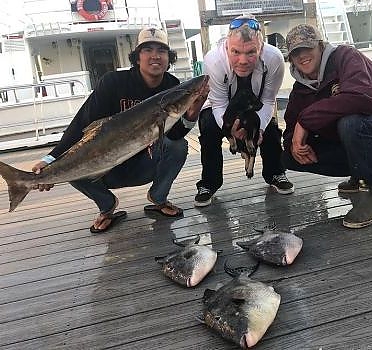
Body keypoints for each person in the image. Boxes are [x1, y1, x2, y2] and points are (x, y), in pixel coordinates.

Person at [32, 26, 208, 233]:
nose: (155, 56)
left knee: (179, 146)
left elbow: (175, 134)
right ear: (137, 57)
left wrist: (193, 109)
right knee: (71, 166)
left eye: (161, 51)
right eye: (147, 50)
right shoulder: (113, 83)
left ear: (169, 58)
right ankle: (106, 206)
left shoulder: (172, 86)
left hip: (143, 165)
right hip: (104, 168)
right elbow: (81, 124)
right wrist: (51, 160)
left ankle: (158, 198)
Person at [282, 24, 372, 229]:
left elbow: (364, 99)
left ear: (321, 46)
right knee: (288, 156)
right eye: (296, 52)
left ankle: (371, 191)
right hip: (350, 139)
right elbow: (290, 132)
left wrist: (304, 120)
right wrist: (297, 147)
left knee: (351, 123)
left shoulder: (347, 57)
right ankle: (358, 175)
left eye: (308, 48)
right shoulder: (299, 90)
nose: (302, 55)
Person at [194, 14, 294, 207]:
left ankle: (275, 172)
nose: (243, 60)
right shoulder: (213, 61)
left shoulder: (274, 59)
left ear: (261, 47)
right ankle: (209, 183)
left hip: (254, 105)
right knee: (208, 129)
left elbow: (267, 100)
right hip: (221, 106)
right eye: (236, 52)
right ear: (226, 46)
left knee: (271, 129)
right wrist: (231, 130)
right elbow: (220, 104)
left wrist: (260, 130)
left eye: (251, 52)